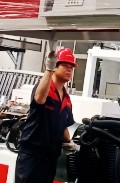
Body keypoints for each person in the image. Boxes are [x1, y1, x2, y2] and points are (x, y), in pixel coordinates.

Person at [16, 47, 77, 183]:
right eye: (65, 65)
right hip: (32, 156)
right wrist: (48, 70)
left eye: (71, 67)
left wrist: (69, 142)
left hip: (51, 158)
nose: (69, 70)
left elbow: (63, 126)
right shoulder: (44, 88)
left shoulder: (67, 99)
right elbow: (39, 98)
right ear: (55, 67)